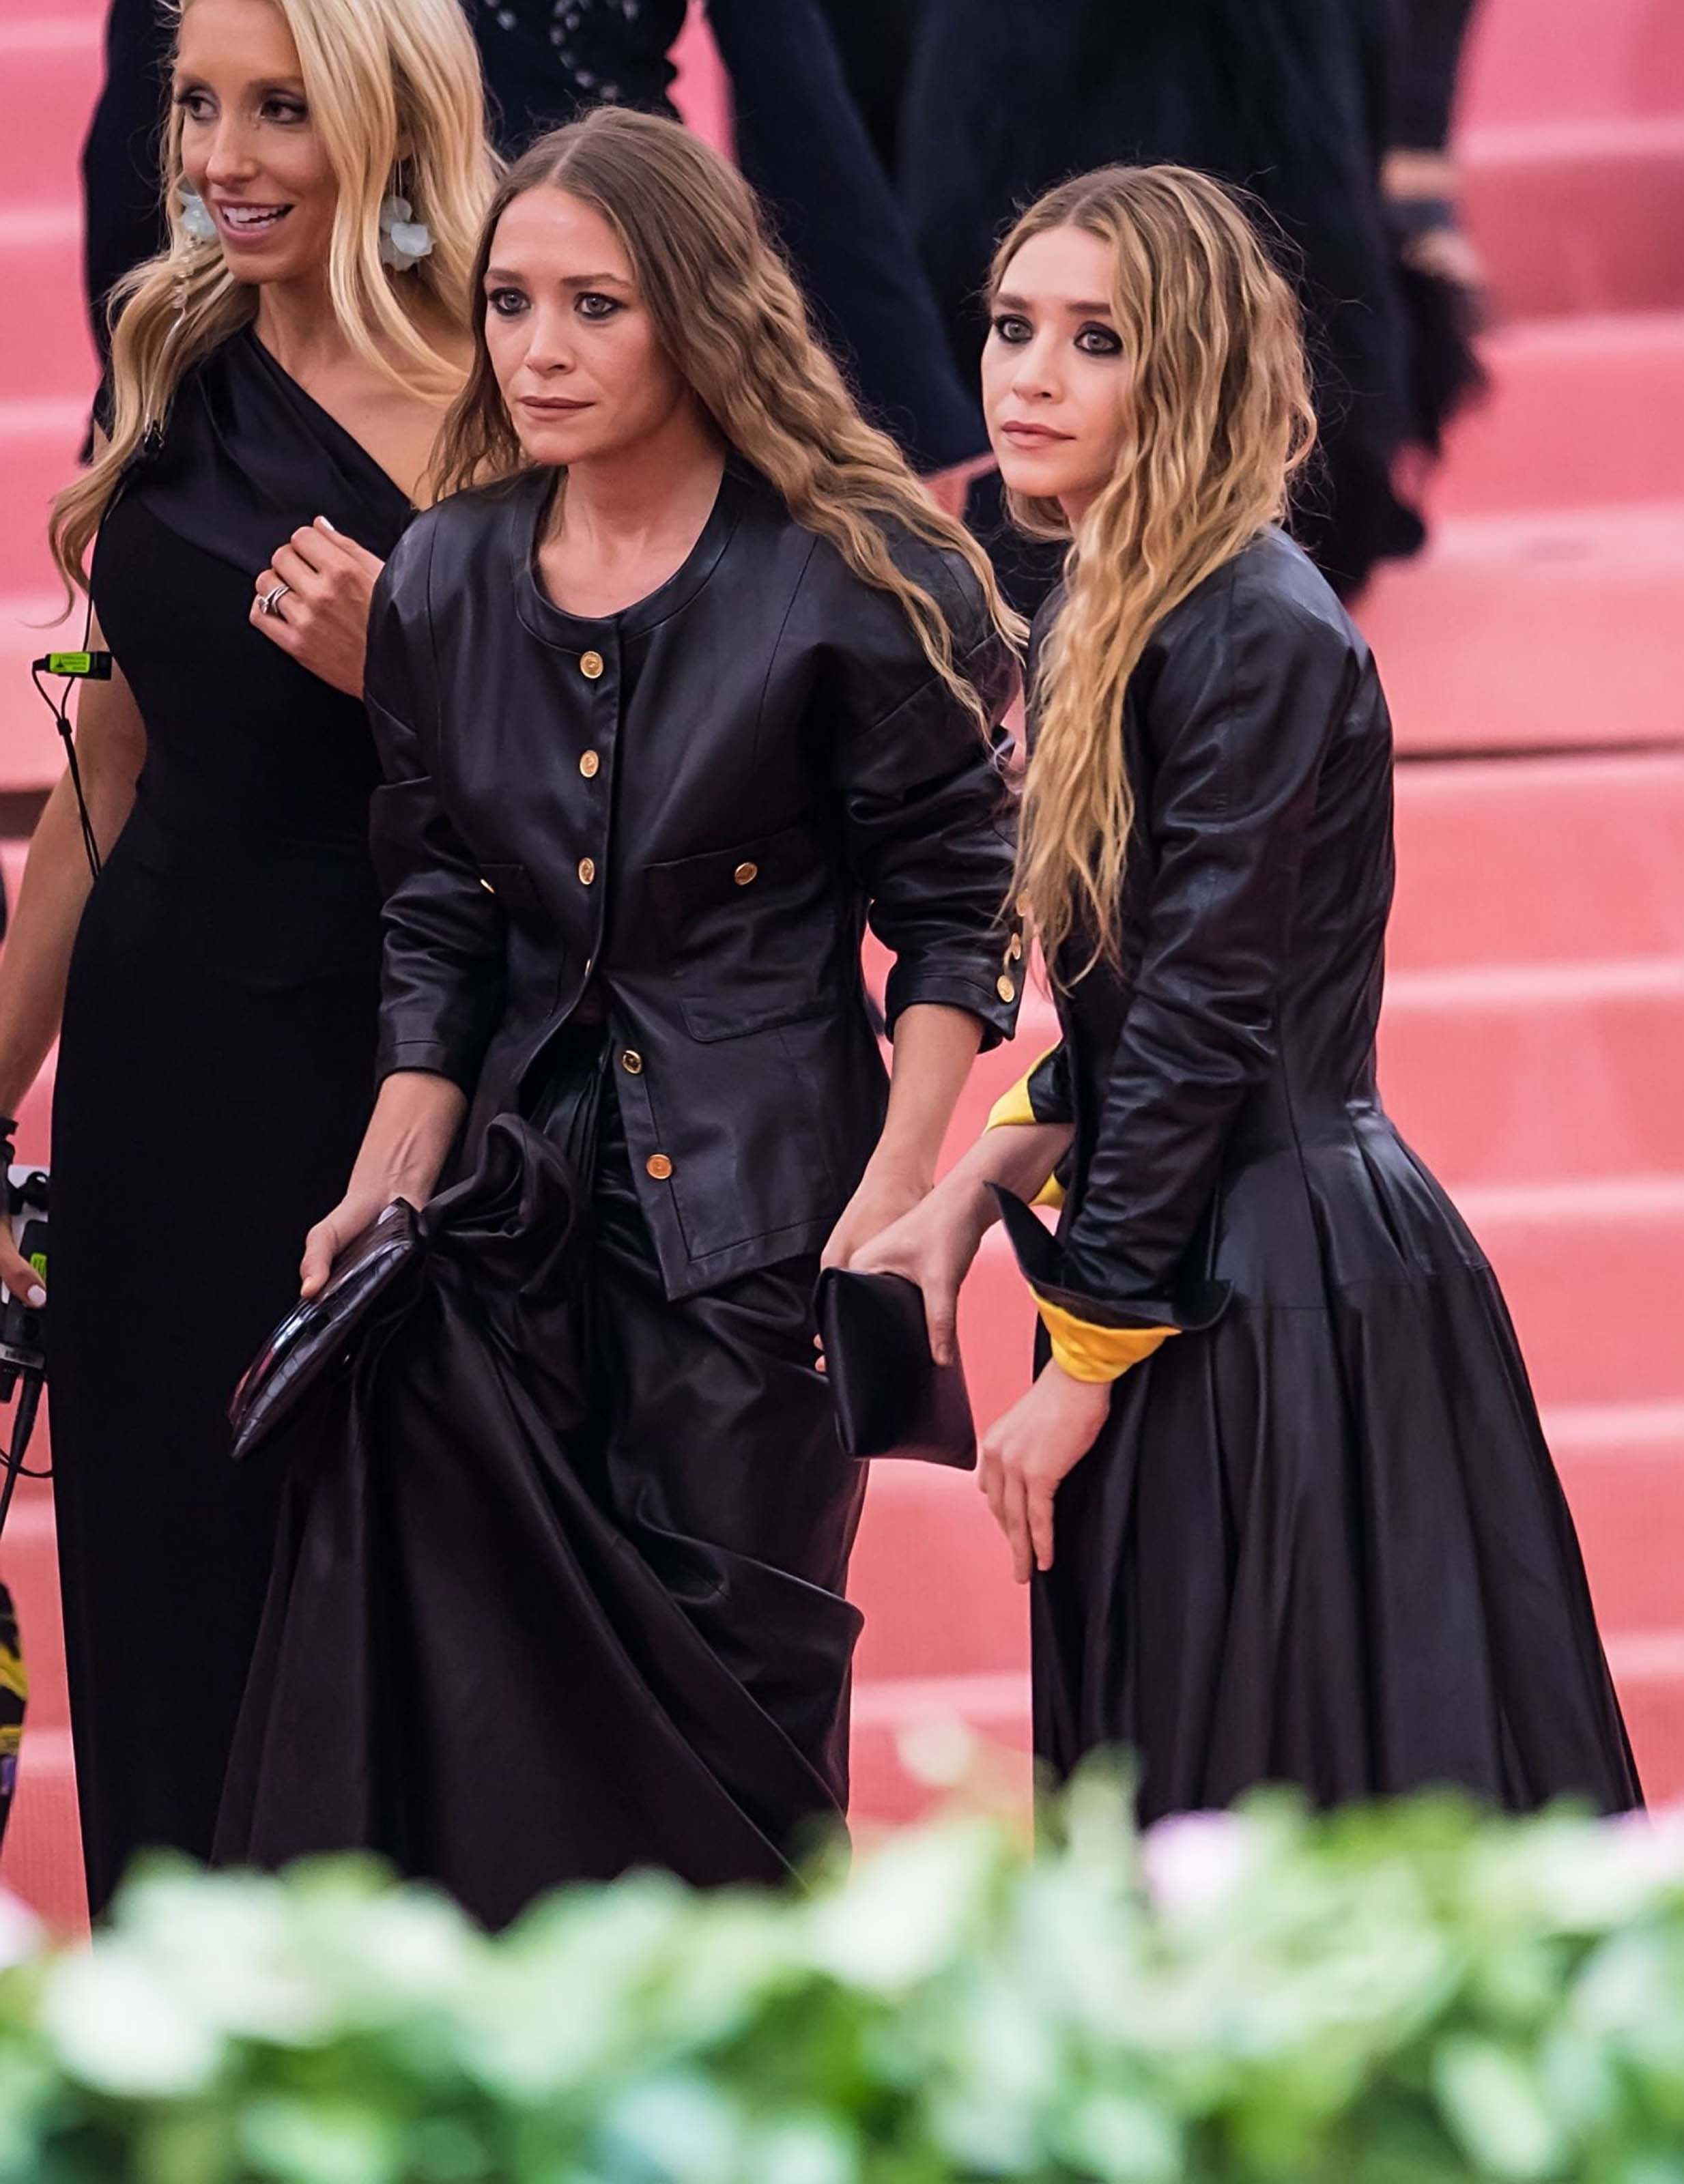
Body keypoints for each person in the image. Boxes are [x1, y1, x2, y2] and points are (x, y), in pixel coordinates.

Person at [213, 105, 1023, 1925]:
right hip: (501, 1238)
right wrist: (382, 1188)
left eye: (596, 304)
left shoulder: (842, 574)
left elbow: (959, 922)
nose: (541, 349)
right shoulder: (441, 572)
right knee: (494, 1748)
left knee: (742, 1737)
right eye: (510, 305)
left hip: (755, 1248)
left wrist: (892, 1213)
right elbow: (436, 912)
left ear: (697, 315)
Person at [856, 165, 1640, 1819]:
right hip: (1199, 1258)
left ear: (1193, 369)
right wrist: (978, 1177)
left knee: (1296, 1805)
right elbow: (1138, 1011)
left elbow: (1213, 1021)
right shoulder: (1110, 605)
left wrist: (1075, 1368)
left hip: (1278, 1288)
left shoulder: (1250, 627)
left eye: (1094, 340)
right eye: (1013, 329)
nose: (1027, 375)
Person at [0, 0, 494, 1912]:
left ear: (385, 113)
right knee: (169, 1607)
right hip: (158, 1085)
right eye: (200, 102)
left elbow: (611, 805)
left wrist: (414, 670)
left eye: (280, 108)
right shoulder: (169, 354)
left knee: (390, 1637)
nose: (222, 155)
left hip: (400, 1100)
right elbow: (100, 780)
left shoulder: (508, 388)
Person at [81, 0, 989, 502]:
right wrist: (148, 394)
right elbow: (163, 100)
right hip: (435, 247)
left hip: (581, 244)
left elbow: (792, 88)